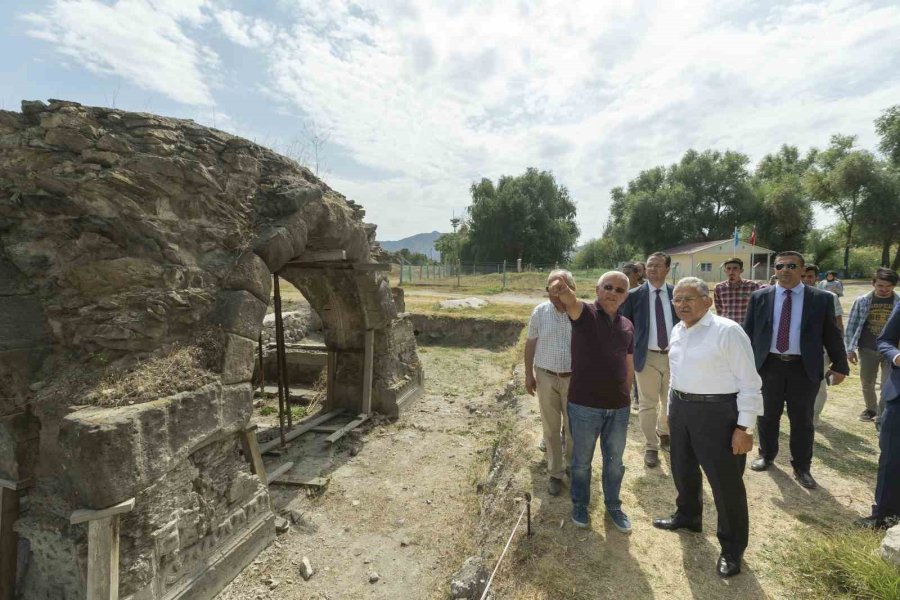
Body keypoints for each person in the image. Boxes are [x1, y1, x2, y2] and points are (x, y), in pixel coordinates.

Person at [652, 277, 762, 578]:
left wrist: (745, 427)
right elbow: (676, 373)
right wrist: (671, 410)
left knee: (725, 483)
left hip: (718, 412)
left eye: (690, 298)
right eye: (677, 299)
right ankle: (688, 516)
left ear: (708, 300)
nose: (682, 304)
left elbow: (750, 383)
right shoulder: (677, 330)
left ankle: (732, 546)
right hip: (682, 407)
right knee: (682, 467)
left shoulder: (728, 331)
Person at [743, 251, 849, 489]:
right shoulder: (760, 297)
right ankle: (767, 455)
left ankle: (802, 466)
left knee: (802, 421)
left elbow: (832, 334)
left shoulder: (821, 299)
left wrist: (840, 364)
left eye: (792, 266)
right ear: (775, 270)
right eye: (780, 266)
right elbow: (747, 333)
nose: (785, 270)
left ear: (803, 270)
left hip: (804, 368)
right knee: (767, 415)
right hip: (768, 366)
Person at [549, 271, 634, 533]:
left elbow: (628, 363)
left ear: (625, 296)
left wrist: (627, 396)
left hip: (618, 409)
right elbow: (570, 301)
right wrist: (561, 288)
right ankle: (579, 505)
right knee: (582, 462)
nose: (612, 292)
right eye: (607, 287)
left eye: (619, 290)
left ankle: (613, 506)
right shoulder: (585, 315)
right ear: (597, 289)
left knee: (614, 463)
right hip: (585, 406)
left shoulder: (627, 325)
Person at [621, 252, 680, 467]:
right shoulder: (634, 295)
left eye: (658, 265)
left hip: (675, 358)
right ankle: (651, 446)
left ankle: (665, 433)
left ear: (667, 269)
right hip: (646, 357)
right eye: (649, 265)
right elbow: (624, 326)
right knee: (647, 404)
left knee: (671, 402)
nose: (653, 269)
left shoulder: (677, 294)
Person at [525, 270, 575, 496]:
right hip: (545, 376)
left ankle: (573, 467)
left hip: (575, 378)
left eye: (560, 288)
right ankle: (555, 473)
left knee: (574, 427)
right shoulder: (540, 312)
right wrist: (528, 374)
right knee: (551, 427)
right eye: (550, 289)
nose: (554, 294)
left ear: (570, 288)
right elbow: (530, 344)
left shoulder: (581, 313)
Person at [856, 302, 900, 529]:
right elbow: (885, 340)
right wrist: (895, 356)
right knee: (891, 455)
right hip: (898, 395)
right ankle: (884, 514)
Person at [844, 268, 900, 425]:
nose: (884, 289)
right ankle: (871, 409)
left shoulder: (898, 303)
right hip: (867, 349)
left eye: (888, 286)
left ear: (894, 286)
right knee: (867, 382)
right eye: (880, 285)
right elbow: (852, 325)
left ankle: (882, 417)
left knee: (887, 384)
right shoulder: (862, 301)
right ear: (873, 283)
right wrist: (850, 349)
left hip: (892, 352)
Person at [801, 264, 844, 426]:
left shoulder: (828, 297)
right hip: (795, 352)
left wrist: (838, 353)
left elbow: (838, 325)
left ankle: (813, 417)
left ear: (816, 278)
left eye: (810, 277)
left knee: (818, 387)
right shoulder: (789, 296)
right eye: (803, 276)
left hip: (820, 351)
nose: (806, 280)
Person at [714, 257, 760, 323]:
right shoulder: (719, 288)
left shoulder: (752, 286)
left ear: (741, 270)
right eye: (728, 268)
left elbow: (757, 308)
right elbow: (719, 310)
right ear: (725, 271)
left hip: (745, 328)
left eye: (735, 268)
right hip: (727, 327)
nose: (731, 272)